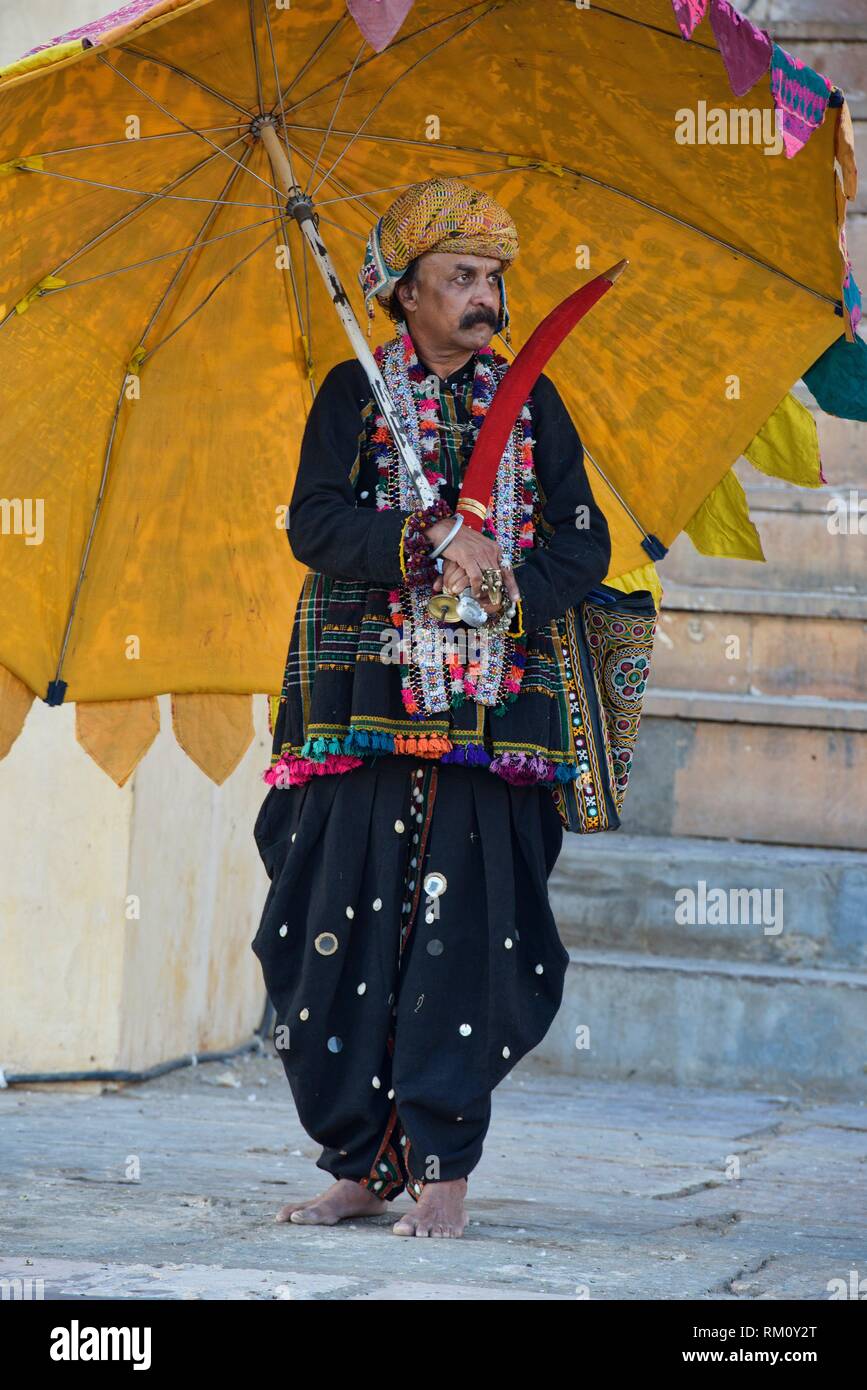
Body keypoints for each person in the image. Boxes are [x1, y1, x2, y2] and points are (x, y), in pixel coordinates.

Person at [252, 176, 611, 1238]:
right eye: (461, 277)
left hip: (491, 720)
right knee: (323, 926)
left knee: (470, 931)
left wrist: (506, 582)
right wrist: (422, 541)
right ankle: (361, 1161)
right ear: (403, 292)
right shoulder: (348, 397)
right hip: (358, 707)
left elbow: (581, 543)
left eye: (493, 277)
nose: (484, 295)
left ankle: (444, 1165)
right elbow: (313, 525)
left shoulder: (534, 401)